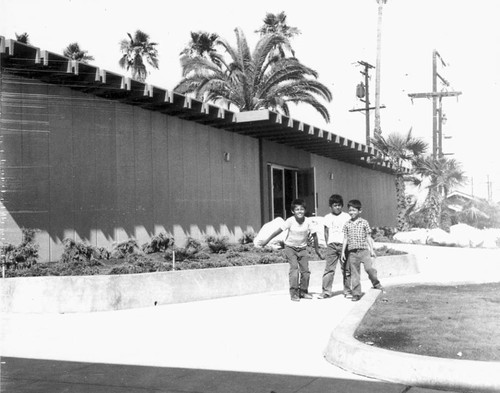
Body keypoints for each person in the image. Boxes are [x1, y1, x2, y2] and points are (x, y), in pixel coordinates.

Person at [259, 199, 323, 302]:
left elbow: (315, 236)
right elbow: (277, 231)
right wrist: (266, 241)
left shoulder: (308, 221)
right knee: (294, 270)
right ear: (293, 211)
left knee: (305, 271)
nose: (299, 211)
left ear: (305, 210)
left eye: (302, 209)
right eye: (297, 209)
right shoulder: (290, 221)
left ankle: (303, 291)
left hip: (302, 248)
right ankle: (294, 293)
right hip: (290, 248)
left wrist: (317, 250)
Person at [341, 199, 383, 302]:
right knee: (355, 274)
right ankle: (356, 294)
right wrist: (343, 252)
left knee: (369, 269)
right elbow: (345, 238)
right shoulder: (347, 224)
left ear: (360, 211)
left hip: (364, 251)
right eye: (350, 210)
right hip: (352, 253)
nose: (352, 212)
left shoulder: (364, 223)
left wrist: (372, 250)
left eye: (354, 210)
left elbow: (368, 237)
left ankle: (376, 283)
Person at [318, 194, 352, 299]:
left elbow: (349, 231)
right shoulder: (327, 217)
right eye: (335, 205)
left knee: (346, 269)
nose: (337, 207)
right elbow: (326, 232)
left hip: (344, 245)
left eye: (339, 205)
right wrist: (328, 244)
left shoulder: (346, 216)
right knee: (329, 269)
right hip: (332, 245)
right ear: (330, 207)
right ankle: (326, 291)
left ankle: (347, 291)